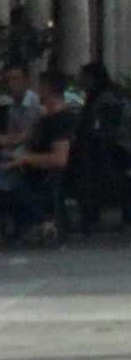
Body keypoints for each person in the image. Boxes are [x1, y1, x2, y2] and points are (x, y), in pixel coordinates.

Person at [3, 77, 76, 247]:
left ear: (47, 89)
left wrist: (25, 159)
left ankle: (41, 222)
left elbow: (59, 159)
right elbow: (22, 139)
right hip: (26, 168)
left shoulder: (62, 121)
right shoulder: (44, 119)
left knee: (5, 186)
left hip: (42, 177)